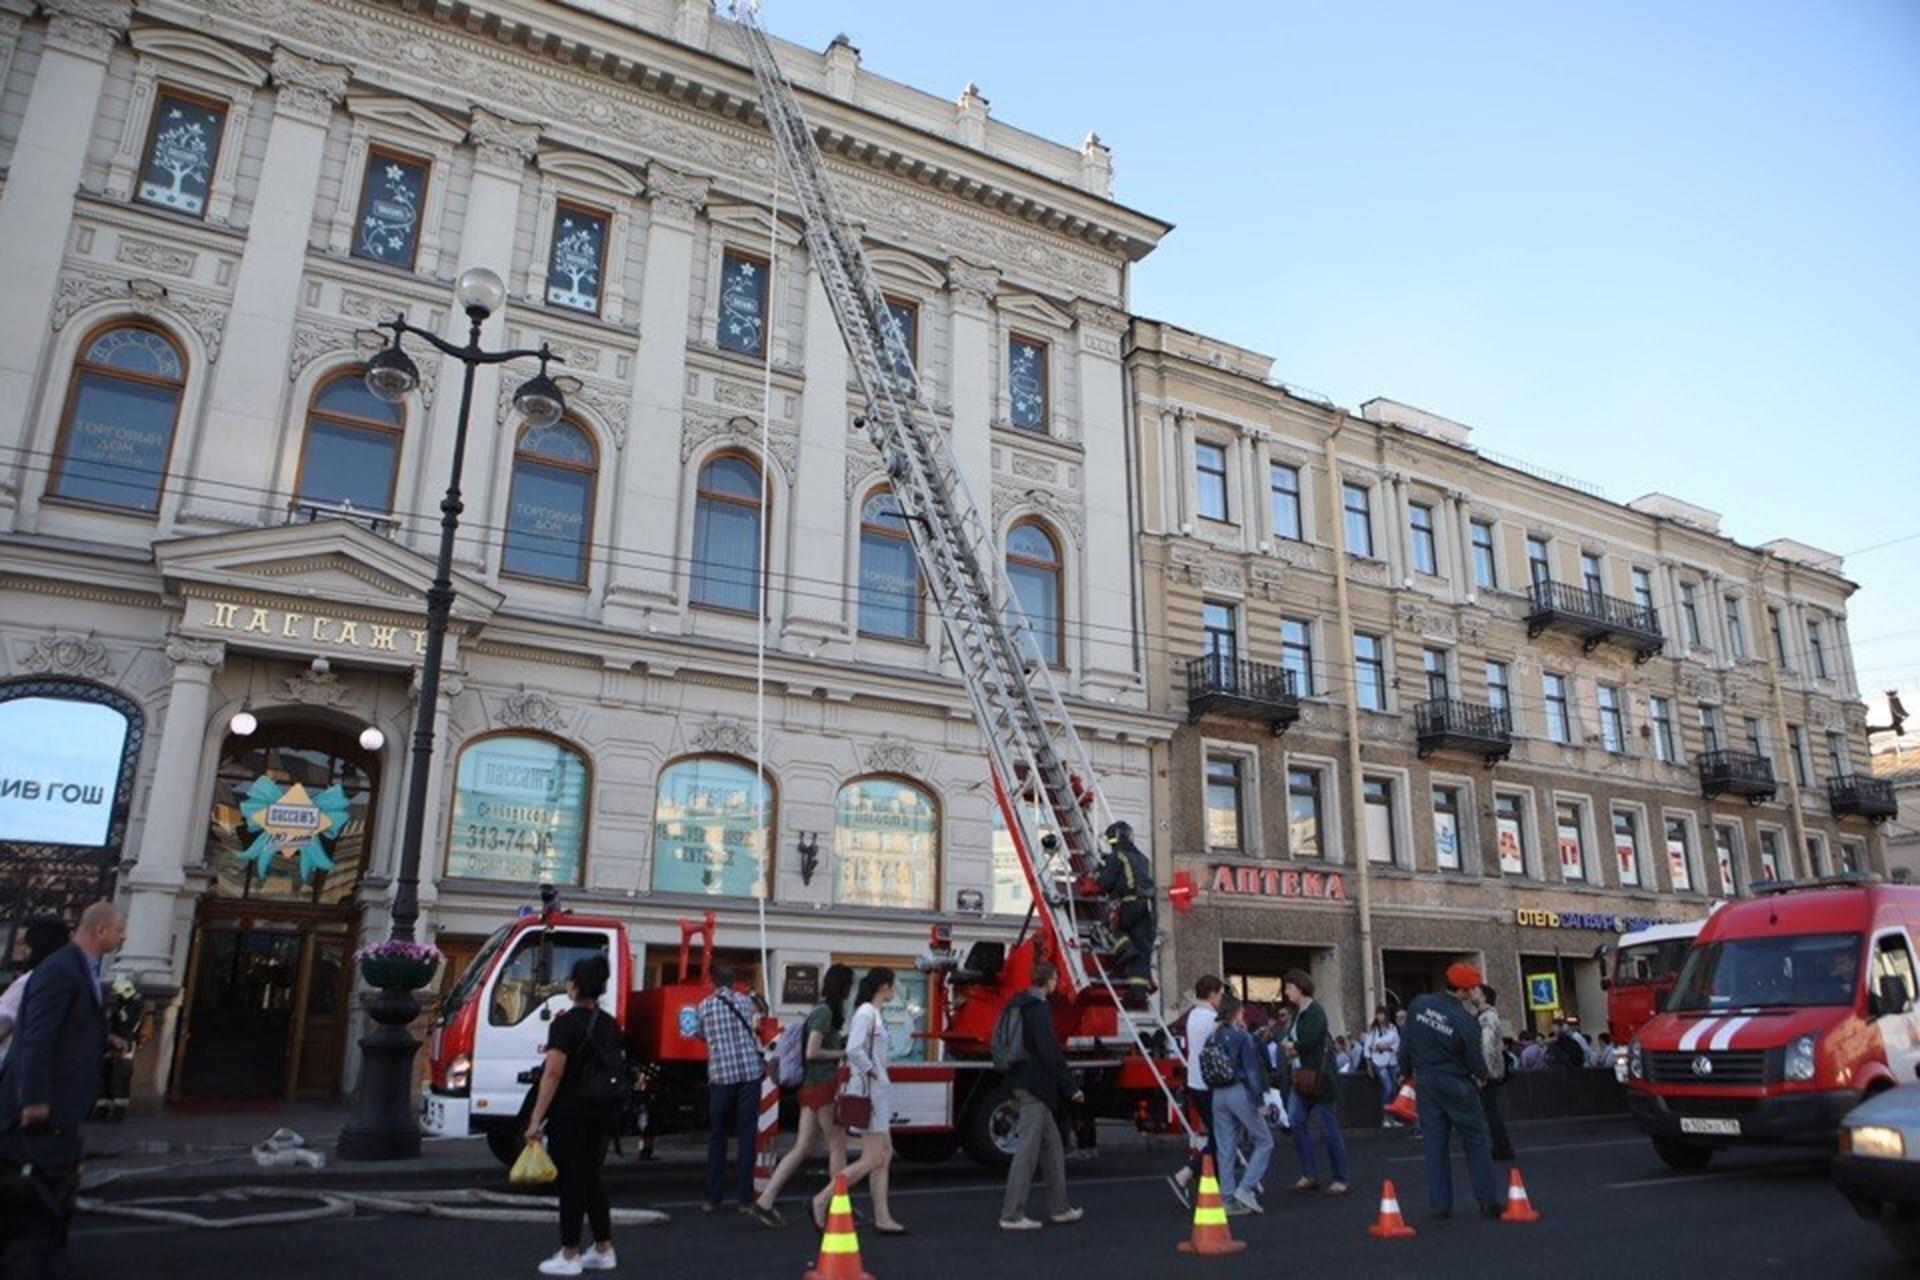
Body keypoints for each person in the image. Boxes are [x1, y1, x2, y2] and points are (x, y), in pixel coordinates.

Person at [0, 902, 125, 1279]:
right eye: (120, 929)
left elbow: (72, 1024)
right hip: (39, 1110)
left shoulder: (83, 969)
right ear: (100, 930)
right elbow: (38, 1039)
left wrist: (107, 1038)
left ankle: (46, 1258)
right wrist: (35, 1099)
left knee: (51, 1192)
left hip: (61, 1109)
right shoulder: (59, 970)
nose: (124, 937)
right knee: (35, 1197)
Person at [525, 955, 624, 1276]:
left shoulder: (565, 1024)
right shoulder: (610, 1024)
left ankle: (569, 1254)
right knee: (592, 1178)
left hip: (571, 1111)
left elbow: (552, 1074)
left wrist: (535, 1119)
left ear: (575, 985)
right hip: (603, 1110)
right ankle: (603, 1248)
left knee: (571, 1183)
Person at [750, 964, 854, 1227]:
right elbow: (812, 1051)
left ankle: (765, 1201)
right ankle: (836, 1204)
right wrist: (844, 1053)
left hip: (809, 1087)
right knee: (837, 1144)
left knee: (803, 1147)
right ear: (842, 987)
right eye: (849, 986)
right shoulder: (825, 1013)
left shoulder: (819, 1010)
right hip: (822, 1085)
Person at [1399, 962, 1500, 1220]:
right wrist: (1483, 1075)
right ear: (1465, 992)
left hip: (1425, 1082)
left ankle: (1440, 1205)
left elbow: (1406, 1044)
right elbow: (1476, 1058)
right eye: (1474, 988)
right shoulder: (1465, 1020)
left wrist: (1406, 1071)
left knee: (1434, 1145)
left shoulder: (1418, 1004)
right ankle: (1488, 1201)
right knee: (1476, 1142)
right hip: (1456, 1083)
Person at [814, 968, 905, 1234]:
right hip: (871, 1092)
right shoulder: (867, 1013)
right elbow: (854, 1049)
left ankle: (883, 1217)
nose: (895, 989)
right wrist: (874, 1072)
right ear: (885, 987)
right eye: (893, 985)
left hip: (874, 1091)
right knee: (874, 1157)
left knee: (883, 1155)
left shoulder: (871, 1013)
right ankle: (822, 1199)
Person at [998, 961, 1085, 1230]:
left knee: (1053, 1146)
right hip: (1035, 1087)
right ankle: (1012, 1214)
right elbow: (1048, 1050)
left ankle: (1060, 1208)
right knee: (1027, 1151)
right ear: (1047, 980)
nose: (1058, 982)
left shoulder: (1016, 1004)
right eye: (1056, 977)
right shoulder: (1039, 1008)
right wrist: (1071, 1086)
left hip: (1020, 1080)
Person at [691, 966, 766, 1214]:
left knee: (718, 1137)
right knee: (746, 1137)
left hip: (722, 1075)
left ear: (712, 981)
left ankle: (713, 1198)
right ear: (734, 983)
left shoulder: (704, 1006)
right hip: (749, 1073)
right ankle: (745, 1199)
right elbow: (758, 1023)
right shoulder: (745, 1002)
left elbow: (699, 1035)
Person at [1206, 997, 1274, 1216]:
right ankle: (1245, 1188)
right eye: (1242, 1013)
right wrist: (1260, 1103)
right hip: (1239, 1092)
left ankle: (1226, 1199)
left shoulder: (1212, 1037)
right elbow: (1252, 1072)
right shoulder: (1242, 1037)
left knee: (1225, 1146)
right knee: (1264, 1140)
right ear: (1236, 1013)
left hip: (1218, 1093)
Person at [1281, 970, 1347, 1195]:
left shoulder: (1315, 1012)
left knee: (1329, 1128)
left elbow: (1308, 1041)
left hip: (1319, 1078)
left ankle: (1340, 1177)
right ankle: (1309, 1173)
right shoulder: (1300, 1013)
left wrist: (1291, 1046)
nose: (1286, 991)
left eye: (1289, 987)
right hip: (1303, 1076)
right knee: (1295, 1120)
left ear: (1300, 988)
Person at [1167, 975, 1224, 1208]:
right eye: (1220, 993)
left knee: (1217, 1135)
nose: (1221, 998)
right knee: (1221, 1137)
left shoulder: (1193, 1016)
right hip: (1209, 1084)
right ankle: (1188, 1173)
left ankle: (1202, 1178)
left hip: (1195, 1082)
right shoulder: (1212, 1018)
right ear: (1211, 994)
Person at [0, 919, 71, 1070]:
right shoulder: (66, 981)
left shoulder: (29, 982)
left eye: (25, 944)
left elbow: (3, 1017)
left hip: (12, 1063)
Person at [1096, 821, 1155, 998]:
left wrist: (1099, 873)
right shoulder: (1144, 858)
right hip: (1148, 907)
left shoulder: (1117, 856)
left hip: (1129, 904)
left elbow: (1105, 884)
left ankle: (1125, 949)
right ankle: (1138, 990)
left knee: (1106, 929)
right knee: (1142, 948)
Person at [1473, 984, 1515, 1162]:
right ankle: (1500, 1146)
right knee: (1490, 1110)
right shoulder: (1484, 1016)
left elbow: (1487, 1046)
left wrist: (1483, 1072)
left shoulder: (1488, 1017)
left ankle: (1501, 1147)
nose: (1472, 994)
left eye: (1476, 991)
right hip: (1488, 1071)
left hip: (1487, 1072)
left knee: (1491, 1111)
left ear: (1483, 997)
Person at [1362, 1005, 1402, 1127]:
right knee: (1388, 1087)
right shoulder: (1373, 1030)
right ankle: (1385, 1116)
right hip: (1379, 1062)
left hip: (1392, 1061)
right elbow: (1367, 1048)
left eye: (1382, 1014)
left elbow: (1397, 1044)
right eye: (1378, 1014)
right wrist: (1369, 1065)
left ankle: (1392, 1117)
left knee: (1394, 1089)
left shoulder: (1392, 1028)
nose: (1380, 1017)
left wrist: (1386, 1047)